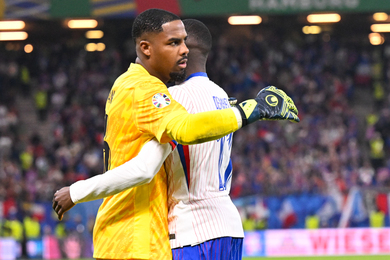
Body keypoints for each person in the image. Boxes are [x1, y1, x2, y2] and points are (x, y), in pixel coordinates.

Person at [53, 9, 299, 260]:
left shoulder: (140, 88)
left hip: (178, 231)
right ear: (146, 48)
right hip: (209, 227)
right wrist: (250, 110)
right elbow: (182, 131)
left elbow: (146, 166)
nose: (183, 49)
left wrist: (76, 192)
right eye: (173, 43)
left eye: (183, 42)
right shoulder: (215, 95)